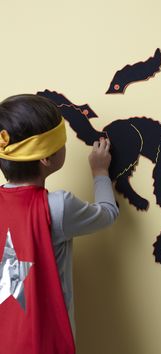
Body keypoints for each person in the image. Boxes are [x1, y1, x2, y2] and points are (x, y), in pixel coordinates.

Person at [0, 94, 119, 354]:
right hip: (45, 343)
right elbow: (108, 213)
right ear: (46, 158)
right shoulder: (59, 207)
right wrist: (100, 173)